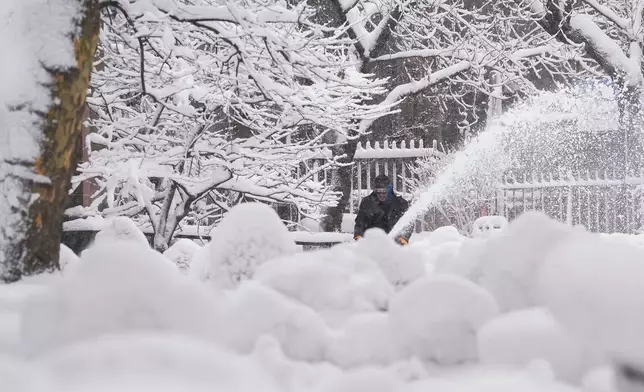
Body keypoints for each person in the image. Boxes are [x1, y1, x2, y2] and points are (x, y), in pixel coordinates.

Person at [353, 174, 412, 245]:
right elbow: (360, 222)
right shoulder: (367, 202)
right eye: (378, 191)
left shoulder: (401, 204)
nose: (381, 194)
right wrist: (358, 236)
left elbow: (408, 224)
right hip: (371, 243)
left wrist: (403, 238)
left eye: (384, 190)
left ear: (389, 188)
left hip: (395, 243)